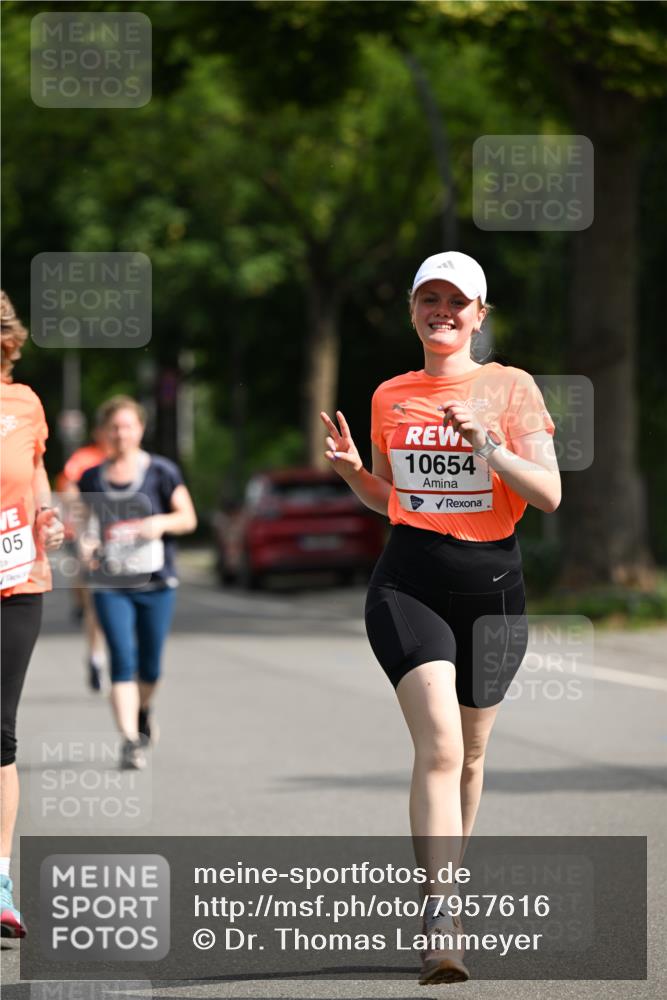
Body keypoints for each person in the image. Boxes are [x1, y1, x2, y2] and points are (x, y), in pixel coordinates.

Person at [320, 252, 560, 985]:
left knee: (472, 754)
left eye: (457, 301)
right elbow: (392, 499)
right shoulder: (391, 394)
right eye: (429, 298)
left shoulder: (510, 388)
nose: (442, 311)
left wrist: (484, 444)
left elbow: (547, 494)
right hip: (408, 585)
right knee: (440, 748)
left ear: (479, 315)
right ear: (413, 310)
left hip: (493, 595)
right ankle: (440, 917)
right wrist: (355, 475)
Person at [76, 396, 197, 771]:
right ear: (103, 433)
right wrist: (86, 545)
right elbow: (82, 526)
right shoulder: (92, 478)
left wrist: (159, 523)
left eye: (128, 426)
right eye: (114, 427)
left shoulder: (161, 471)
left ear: (140, 430)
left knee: (151, 667)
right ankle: (130, 740)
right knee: (121, 660)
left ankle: (143, 710)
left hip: (157, 581)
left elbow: (187, 518)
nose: (121, 434)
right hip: (110, 583)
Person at [0, 290, 64, 938]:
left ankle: (0, 881)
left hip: (17, 577)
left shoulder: (26, 404)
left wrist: (46, 516)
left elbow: (38, 471)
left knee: (1, 732)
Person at [56, 427, 108, 691]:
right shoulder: (86, 458)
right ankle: (96, 659)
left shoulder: (140, 462)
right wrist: (85, 511)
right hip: (90, 536)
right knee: (94, 602)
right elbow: (67, 487)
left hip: (128, 545)